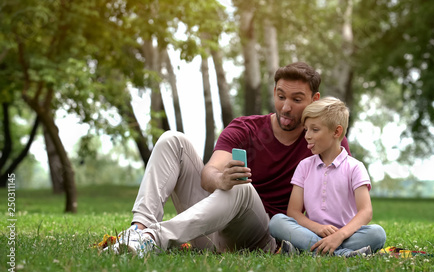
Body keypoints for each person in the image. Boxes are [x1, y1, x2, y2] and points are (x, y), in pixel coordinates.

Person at [107, 62, 351, 257]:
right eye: (280, 96)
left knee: (241, 189)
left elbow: (340, 200)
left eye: (297, 100)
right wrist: (221, 179)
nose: (286, 107)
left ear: (314, 100)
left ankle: (153, 239)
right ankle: (137, 233)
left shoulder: (326, 140)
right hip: (209, 229)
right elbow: (208, 173)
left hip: (261, 237)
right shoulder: (245, 128)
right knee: (173, 140)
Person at [268, 97, 386, 257]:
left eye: (314, 130)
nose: (307, 136)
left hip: (345, 236)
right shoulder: (304, 166)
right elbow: (293, 212)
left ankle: (309, 251)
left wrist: (339, 236)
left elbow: (366, 212)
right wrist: (319, 229)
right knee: (277, 222)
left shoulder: (355, 167)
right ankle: (341, 254)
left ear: (336, 132)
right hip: (311, 232)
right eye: (306, 129)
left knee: (377, 233)